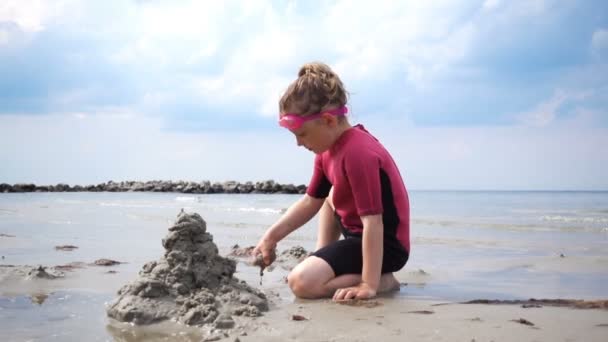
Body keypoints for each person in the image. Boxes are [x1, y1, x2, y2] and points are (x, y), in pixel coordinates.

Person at [252, 62, 410, 301]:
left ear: (328, 121)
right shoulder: (326, 151)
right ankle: (323, 257)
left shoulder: (358, 152)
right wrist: (270, 237)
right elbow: (310, 202)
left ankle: (382, 280)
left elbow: (374, 222)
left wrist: (368, 284)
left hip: (387, 246)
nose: (298, 143)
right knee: (328, 196)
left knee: (301, 283)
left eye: (302, 134)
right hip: (357, 235)